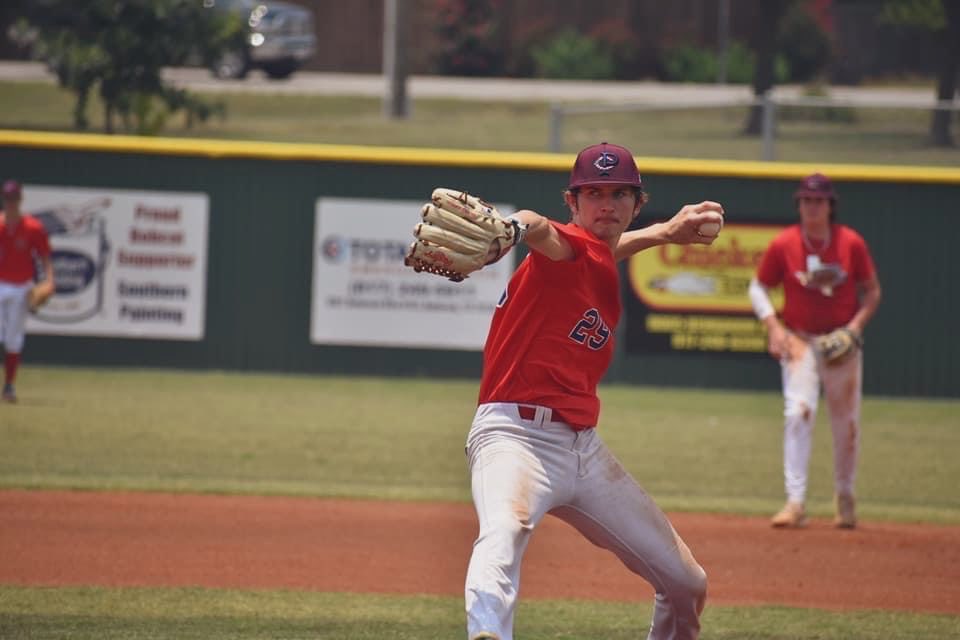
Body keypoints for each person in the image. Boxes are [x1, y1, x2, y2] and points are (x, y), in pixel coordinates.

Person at [464, 142, 725, 640]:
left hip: (581, 449)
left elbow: (605, 248)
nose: (607, 204)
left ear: (637, 203)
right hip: (512, 438)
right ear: (573, 203)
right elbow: (539, 227)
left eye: (619, 193)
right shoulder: (557, 246)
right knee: (504, 531)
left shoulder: (593, 257)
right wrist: (513, 228)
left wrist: (667, 233)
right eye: (594, 194)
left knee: (686, 583)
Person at [748, 172, 881, 529]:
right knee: (798, 412)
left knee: (846, 424)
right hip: (800, 339)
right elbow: (758, 288)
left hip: (841, 343)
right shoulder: (785, 243)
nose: (812, 207)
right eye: (806, 200)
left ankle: (845, 495)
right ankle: (795, 501)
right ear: (799, 204)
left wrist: (854, 330)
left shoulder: (850, 243)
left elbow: (872, 291)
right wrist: (773, 327)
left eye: (819, 201)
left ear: (830, 205)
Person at [0, 179, 54, 403]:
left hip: (22, 287)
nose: (11, 202)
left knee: (14, 338)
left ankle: (9, 386)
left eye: (14, 198)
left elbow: (45, 257)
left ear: (20, 199)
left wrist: (50, 280)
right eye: (8, 198)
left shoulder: (33, 228)